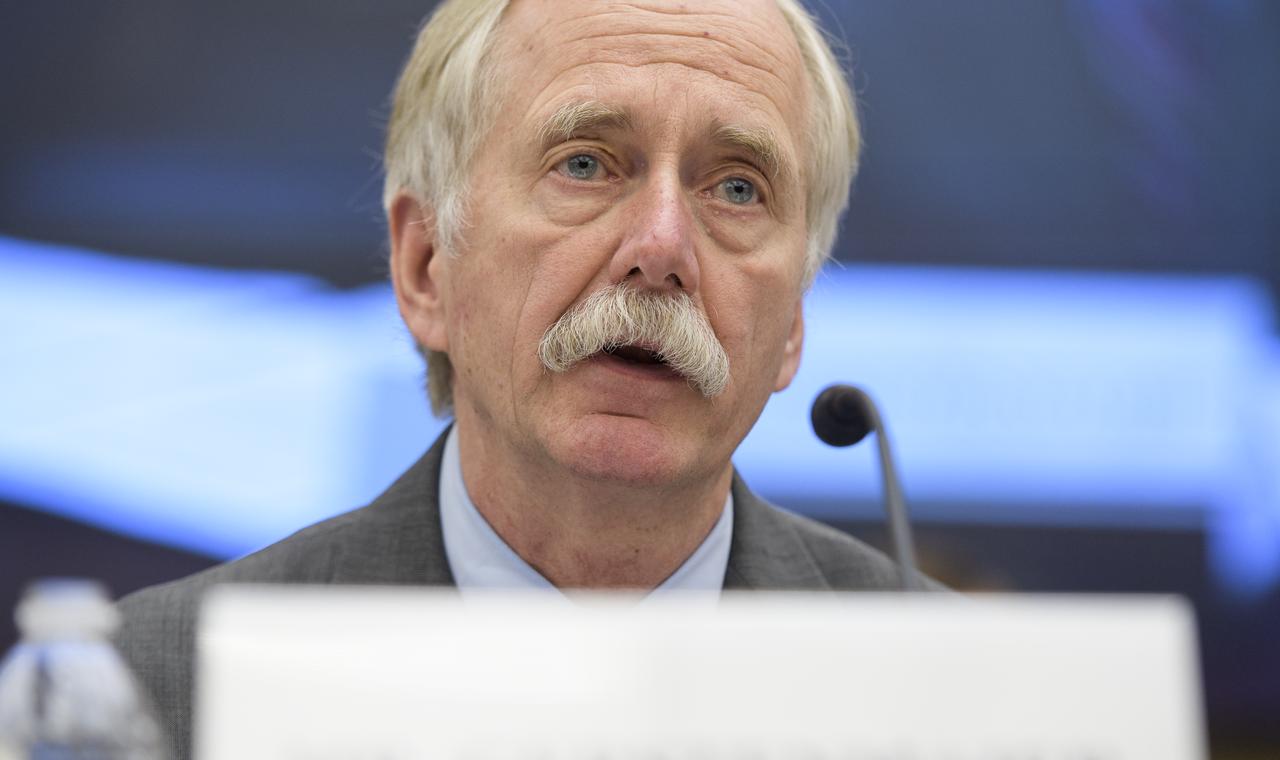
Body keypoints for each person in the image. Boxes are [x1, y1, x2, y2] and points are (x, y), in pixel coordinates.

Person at [117, 0, 925, 757]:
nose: (662, 247)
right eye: (586, 164)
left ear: (792, 323)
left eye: (738, 187)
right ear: (425, 266)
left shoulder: (945, 693)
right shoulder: (150, 699)